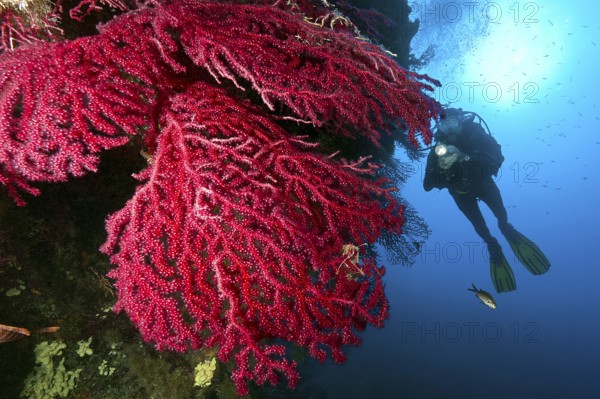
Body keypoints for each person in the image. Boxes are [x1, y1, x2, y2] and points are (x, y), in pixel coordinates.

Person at [423, 108, 550, 293]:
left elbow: (498, 158)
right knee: (480, 227)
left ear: (461, 121)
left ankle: (506, 228)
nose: (450, 129)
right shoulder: (437, 150)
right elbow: (427, 185)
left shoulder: (476, 134)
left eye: (453, 123)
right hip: (460, 193)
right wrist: (441, 170)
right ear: (439, 128)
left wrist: (463, 157)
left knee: (501, 217)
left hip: (484, 184)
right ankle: (492, 244)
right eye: (444, 125)